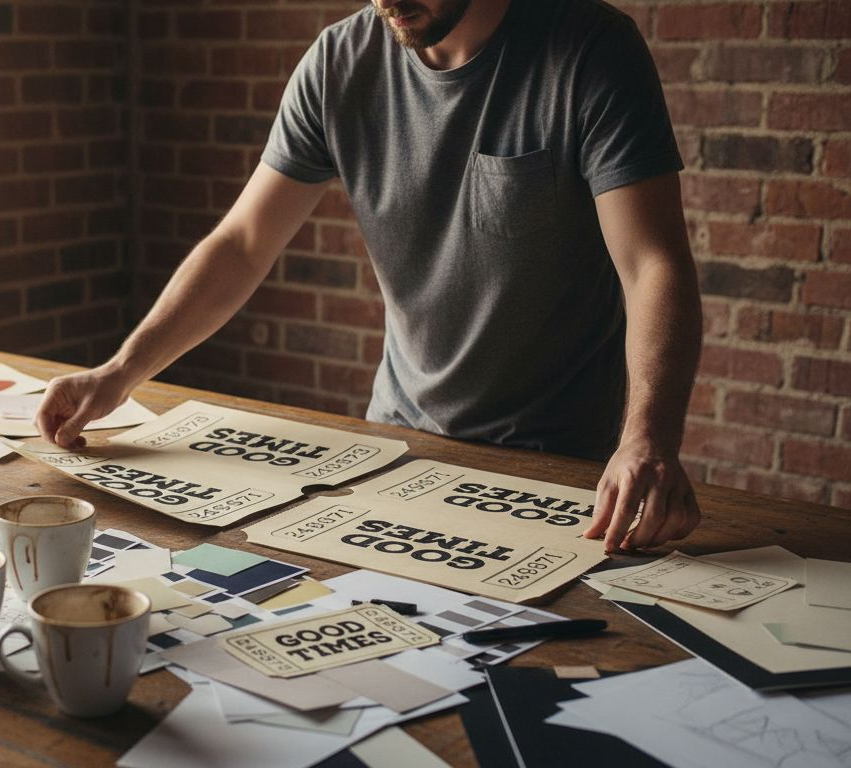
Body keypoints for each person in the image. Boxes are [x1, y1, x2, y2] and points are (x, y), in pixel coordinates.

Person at [35, 0, 702, 554]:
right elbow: (242, 244)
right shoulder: (338, 63)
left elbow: (653, 264)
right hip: (397, 447)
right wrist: (119, 373)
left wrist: (648, 437)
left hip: (557, 466)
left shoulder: (590, 49)